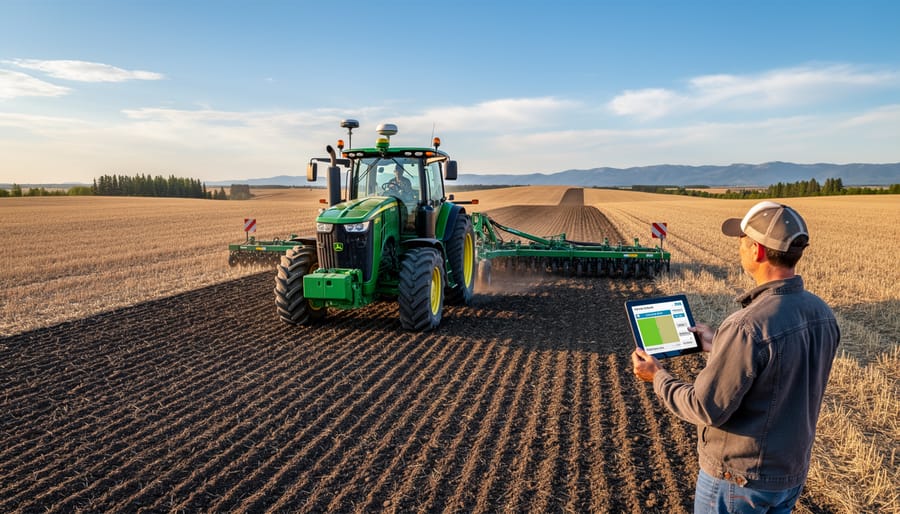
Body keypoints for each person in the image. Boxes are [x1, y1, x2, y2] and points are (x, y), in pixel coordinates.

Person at [631, 201, 840, 513]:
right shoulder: (821, 313)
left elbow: (705, 407)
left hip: (739, 481)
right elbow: (781, 369)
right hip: (788, 477)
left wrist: (657, 376)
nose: (739, 247)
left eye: (742, 241)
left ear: (756, 250)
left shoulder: (747, 326)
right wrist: (720, 345)